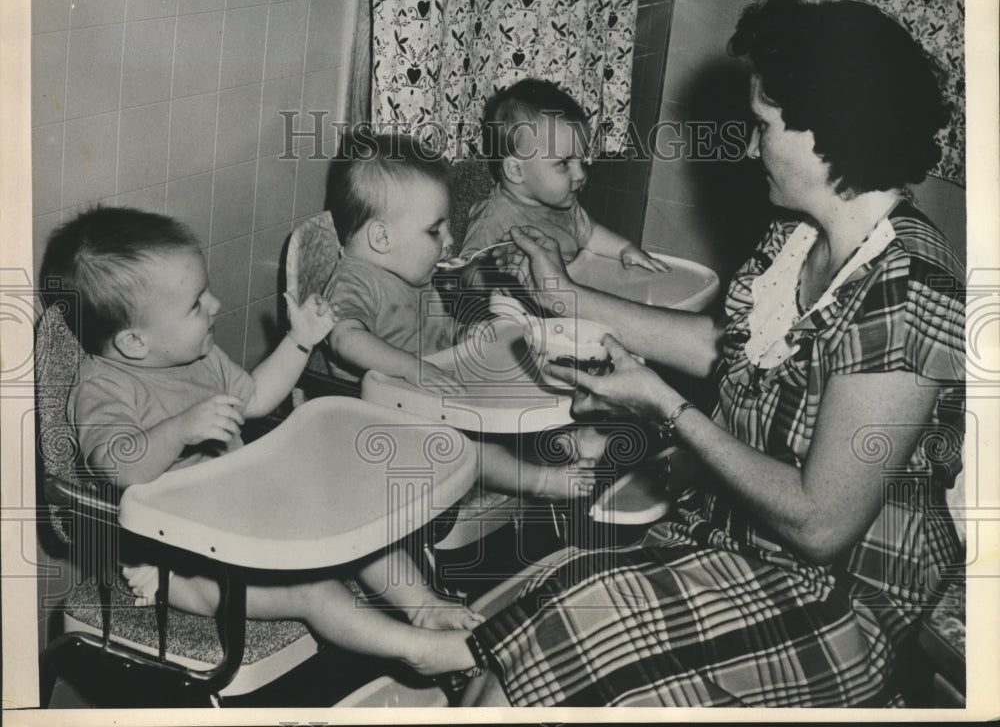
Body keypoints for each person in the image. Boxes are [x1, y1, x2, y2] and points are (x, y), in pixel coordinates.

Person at [434, 0, 966, 707]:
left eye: (762, 127)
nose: (749, 148)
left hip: (845, 594)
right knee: (512, 661)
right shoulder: (803, 237)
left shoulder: (908, 289)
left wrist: (661, 405)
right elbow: (729, 346)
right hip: (738, 535)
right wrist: (565, 297)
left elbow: (821, 523)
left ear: (829, 133)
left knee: (530, 673)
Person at [43, 205, 484, 677]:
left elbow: (255, 398)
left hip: (249, 514)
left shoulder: (198, 357)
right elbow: (119, 468)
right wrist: (178, 430)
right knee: (315, 592)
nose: (214, 304)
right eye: (196, 303)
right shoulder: (102, 389)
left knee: (349, 520)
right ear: (134, 343)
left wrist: (300, 340)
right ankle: (416, 649)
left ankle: (422, 606)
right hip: (184, 560)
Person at [323, 133, 600, 502]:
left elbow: (433, 330)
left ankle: (561, 436)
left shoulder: (410, 272)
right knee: (462, 446)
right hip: (381, 413)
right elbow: (345, 338)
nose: (449, 239)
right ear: (381, 237)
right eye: (434, 230)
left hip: (433, 390)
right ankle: (540, 481)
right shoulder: (355, 281)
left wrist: (467, 333)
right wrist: (410, 367)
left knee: (511, 381)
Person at [460, 78, 669, 271]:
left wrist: (625, 249)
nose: (580, 174)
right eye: (563, 163)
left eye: (582, 160)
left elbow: (591, 234)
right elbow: (468, 273)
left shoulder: (565, 206)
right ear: (516, 170)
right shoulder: (493, 219)